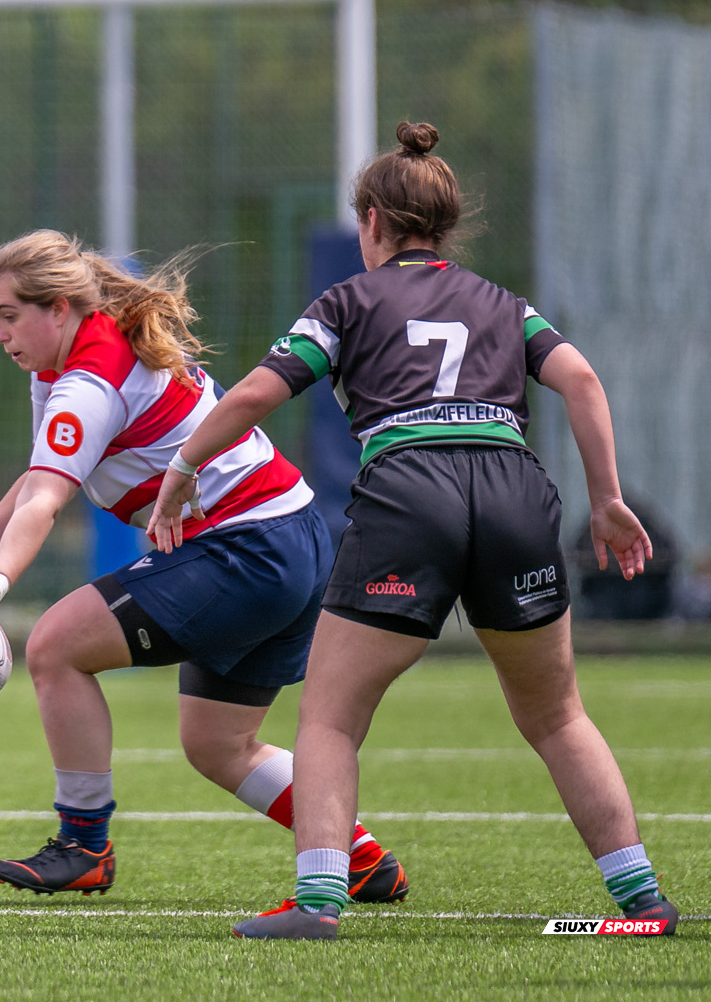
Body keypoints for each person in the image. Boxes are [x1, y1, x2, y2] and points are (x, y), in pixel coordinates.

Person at [151, 122, 678, 939]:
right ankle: (643, 901)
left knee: (329, 716)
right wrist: (605, 498)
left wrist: (182, 471)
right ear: (445, 225)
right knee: (558, 714)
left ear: (370, 222)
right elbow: (580, 379)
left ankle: (319, 904)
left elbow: (256, 394)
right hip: (512, 489)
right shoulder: (506, 304)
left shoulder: (348, 301)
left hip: (412, 490)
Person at [0, 230, 406, 905]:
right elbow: (43, 474)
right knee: (219, 743)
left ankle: (83, 845)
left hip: (247, 547)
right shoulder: (80, 354)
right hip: (294, 535)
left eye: (8, 315)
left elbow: (49, 498)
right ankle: (361, 860)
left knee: (54, 645)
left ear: (59, 309)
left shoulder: (86, 380)